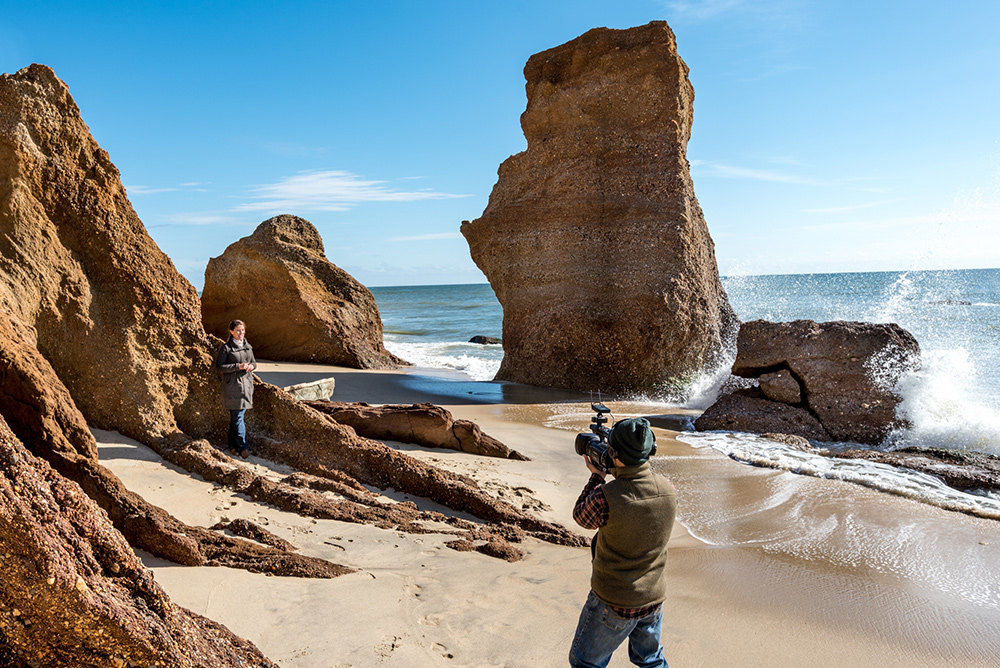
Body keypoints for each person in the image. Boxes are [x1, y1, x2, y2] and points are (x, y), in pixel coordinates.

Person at [569, 417, 677, 668]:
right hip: (653, 597)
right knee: (650, 660)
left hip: (614, 601)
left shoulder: (607, 496)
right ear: (651, 450)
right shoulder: (668, 489)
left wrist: (597, 477)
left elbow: (581, 517)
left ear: (613, 453)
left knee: (585, 662)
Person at [214, 319, 257, 459]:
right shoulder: (226, 348)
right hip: (232, 387)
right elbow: (219, 367)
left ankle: (232, 445)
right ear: (231, 331)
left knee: (236, 418)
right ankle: (243, 446)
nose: (241, 333)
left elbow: (254, 362)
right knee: (238, 417)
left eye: (243, 330)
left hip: (247, 386)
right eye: (238, 330)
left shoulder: (248, 346)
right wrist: (238, 366)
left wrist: (251, 366)